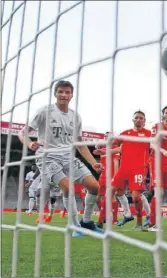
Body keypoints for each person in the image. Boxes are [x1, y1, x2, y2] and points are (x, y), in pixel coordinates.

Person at [18, 80, 104, 237]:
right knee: (68, 187)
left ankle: (85, 222)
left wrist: (93, 163)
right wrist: (30, 144)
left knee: (94, 186)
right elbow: (22, 132)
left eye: (67, 92)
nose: (64, 95)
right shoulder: (44, 111)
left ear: (72, 95)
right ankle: (74, 226)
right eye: (60, 92)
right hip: (47, 157)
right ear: (55, 93)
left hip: (67, 157)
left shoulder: (75, 117)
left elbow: (80, 144)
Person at [95, 111, 151, 231]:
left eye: (141, 118)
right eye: (136, 117)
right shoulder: (125, 134)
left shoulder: (148, 134)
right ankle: (99, 222)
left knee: (136, 196)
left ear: (144, 121)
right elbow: (118, 146)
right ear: (133, 120)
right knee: (110, 192)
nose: (139, 119)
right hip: (124, 169)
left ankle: (140, 223)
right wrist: (104, 150)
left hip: (139, 169)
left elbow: (154, 147)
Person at [93, 131, 121, 228]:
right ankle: (104, 215)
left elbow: (116, 163)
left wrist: (115, 177)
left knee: (111, 197)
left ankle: (115, 219)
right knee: (97, 198)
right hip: (102, 176)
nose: (105, 137)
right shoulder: (102, 149)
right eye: (104, 135)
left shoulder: (115, 149)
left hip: (111, 176)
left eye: (108, 135)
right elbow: (101, 161)